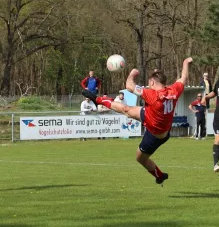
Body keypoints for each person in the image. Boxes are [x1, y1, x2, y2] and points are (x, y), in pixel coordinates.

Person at [82, 57, 192, 185]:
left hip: (155, 134)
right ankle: (98, 100)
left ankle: (159, 175)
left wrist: (132, 74)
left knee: (140, 158)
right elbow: (183, 78)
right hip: (152, 117)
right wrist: (185, 63)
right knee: (126, 109)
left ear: (151, 83)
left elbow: (129, 86)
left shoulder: (152, 95)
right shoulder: (174, 91)